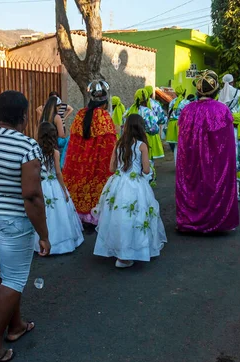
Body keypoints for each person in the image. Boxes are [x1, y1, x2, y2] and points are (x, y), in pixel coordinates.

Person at [0, 91, 49, 362]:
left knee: (8, 273)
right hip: (14, 220)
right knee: (14, 279)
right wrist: (44, 234)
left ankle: (15, 326)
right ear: (24, 116)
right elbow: (32, 195)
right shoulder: (27, 146)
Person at [93, 114, 167, 268]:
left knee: (118, 217)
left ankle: (119, 251)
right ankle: (131, 252)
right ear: (140, 127)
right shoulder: (142, 145)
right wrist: (148, 171)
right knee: (136, 217)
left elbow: (112, 168)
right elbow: (146, 170)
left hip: (118, 184)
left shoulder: (118, 144)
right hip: (135, 185)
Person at [176, 70, 239, 233]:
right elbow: (227, 145)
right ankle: (217, 220)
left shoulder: (187, 110)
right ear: (216, 91)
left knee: (195, 187)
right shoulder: (222, 110)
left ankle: (191, 220)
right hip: (215, 162)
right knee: (212, 187)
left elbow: (182, 142)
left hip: (192, 161)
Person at [63, 80, 118, 225]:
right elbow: (110, 145)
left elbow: (73, 144)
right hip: (98, 166)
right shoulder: (104, 117)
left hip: (80, 166)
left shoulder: (80, 115)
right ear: (105, 101)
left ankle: (80, 215)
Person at [34, 121, 83, 254]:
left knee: (43, 213)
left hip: (42, 185)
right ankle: (60, 243)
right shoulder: (55, 152)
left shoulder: (36, 151)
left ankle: (42, 241)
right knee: (59, 214)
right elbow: (57, 172)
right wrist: (64, 191)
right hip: (55, 185)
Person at [123, 88, 162, 160]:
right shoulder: (148, 111)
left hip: (130, 139)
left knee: (134, 160)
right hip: (145, 139)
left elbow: (124, 124)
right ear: (147, 99)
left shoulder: (129, 110)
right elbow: (153, 129)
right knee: (146, 161)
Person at [165, 85, 189, 163]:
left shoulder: (172, 102)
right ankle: (183, 164)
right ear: (184, 92)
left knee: (176, 146)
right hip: (182, 125)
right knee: (184, 145)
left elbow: (169, 113)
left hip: (172, 125)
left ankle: (176, 164)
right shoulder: (186, 102)